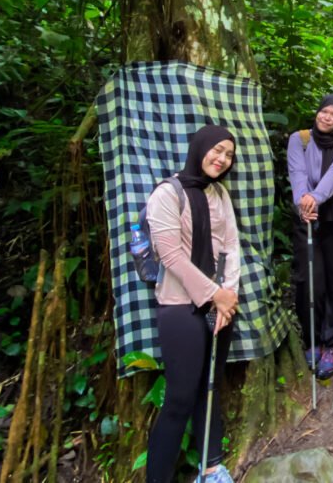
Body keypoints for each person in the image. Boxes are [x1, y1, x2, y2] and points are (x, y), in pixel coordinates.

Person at [146, 125, 240, 483]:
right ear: (199, 148)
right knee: (180, 398)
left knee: (211, 388)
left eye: (228, 155)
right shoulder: (167, 194)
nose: (221, 159)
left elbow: (231, 246)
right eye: (217, 150)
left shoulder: (220, 194)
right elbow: (170, 255)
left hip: (221, 306)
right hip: (179, 306)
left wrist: (227, 297)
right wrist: (214, 294)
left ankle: (212, 468)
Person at [287, 94, 333, 379]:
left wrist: (314, 199)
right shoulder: (299, 139)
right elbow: (297, 171)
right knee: (309, 279)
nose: (327, 117)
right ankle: (313, 339)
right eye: (323, 112)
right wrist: (302, 202)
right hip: (306, 215)